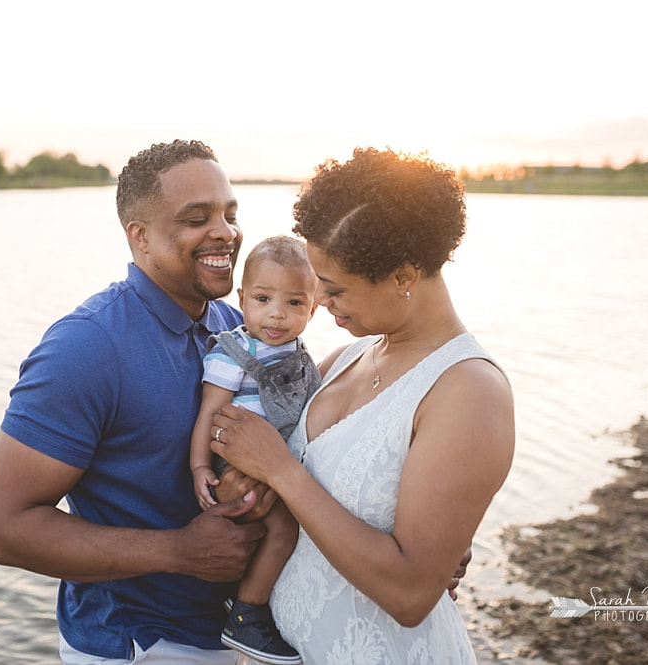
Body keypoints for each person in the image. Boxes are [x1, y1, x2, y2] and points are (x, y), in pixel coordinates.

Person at [209, 147, 514, 663]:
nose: (320, 302)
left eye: (333, 288)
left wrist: (280, 472)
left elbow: (411, 594)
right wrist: (247, 484)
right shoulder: (346, 358)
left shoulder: (469, 390)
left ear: (403, 276)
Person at [0, 139, 266, 664]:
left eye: (229, 213)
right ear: (141, 237)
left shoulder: (235, 328)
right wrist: (180, 552)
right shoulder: (86, 347)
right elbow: (2, 529)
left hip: (226, 635)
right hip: (138, 646)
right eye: (197, 217)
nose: (224, 232)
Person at [189, 236, 321, 664]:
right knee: (285, 530)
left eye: (295, 303)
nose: (277, 314)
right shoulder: (235, 351)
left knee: (285, 531)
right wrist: (198, 467)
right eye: (263, 299)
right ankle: (248, 616)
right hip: (238, 462)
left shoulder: (301, 358)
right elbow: (209, 412)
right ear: (243, 299)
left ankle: (248, 601)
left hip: (277, 463)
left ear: (314, 308)